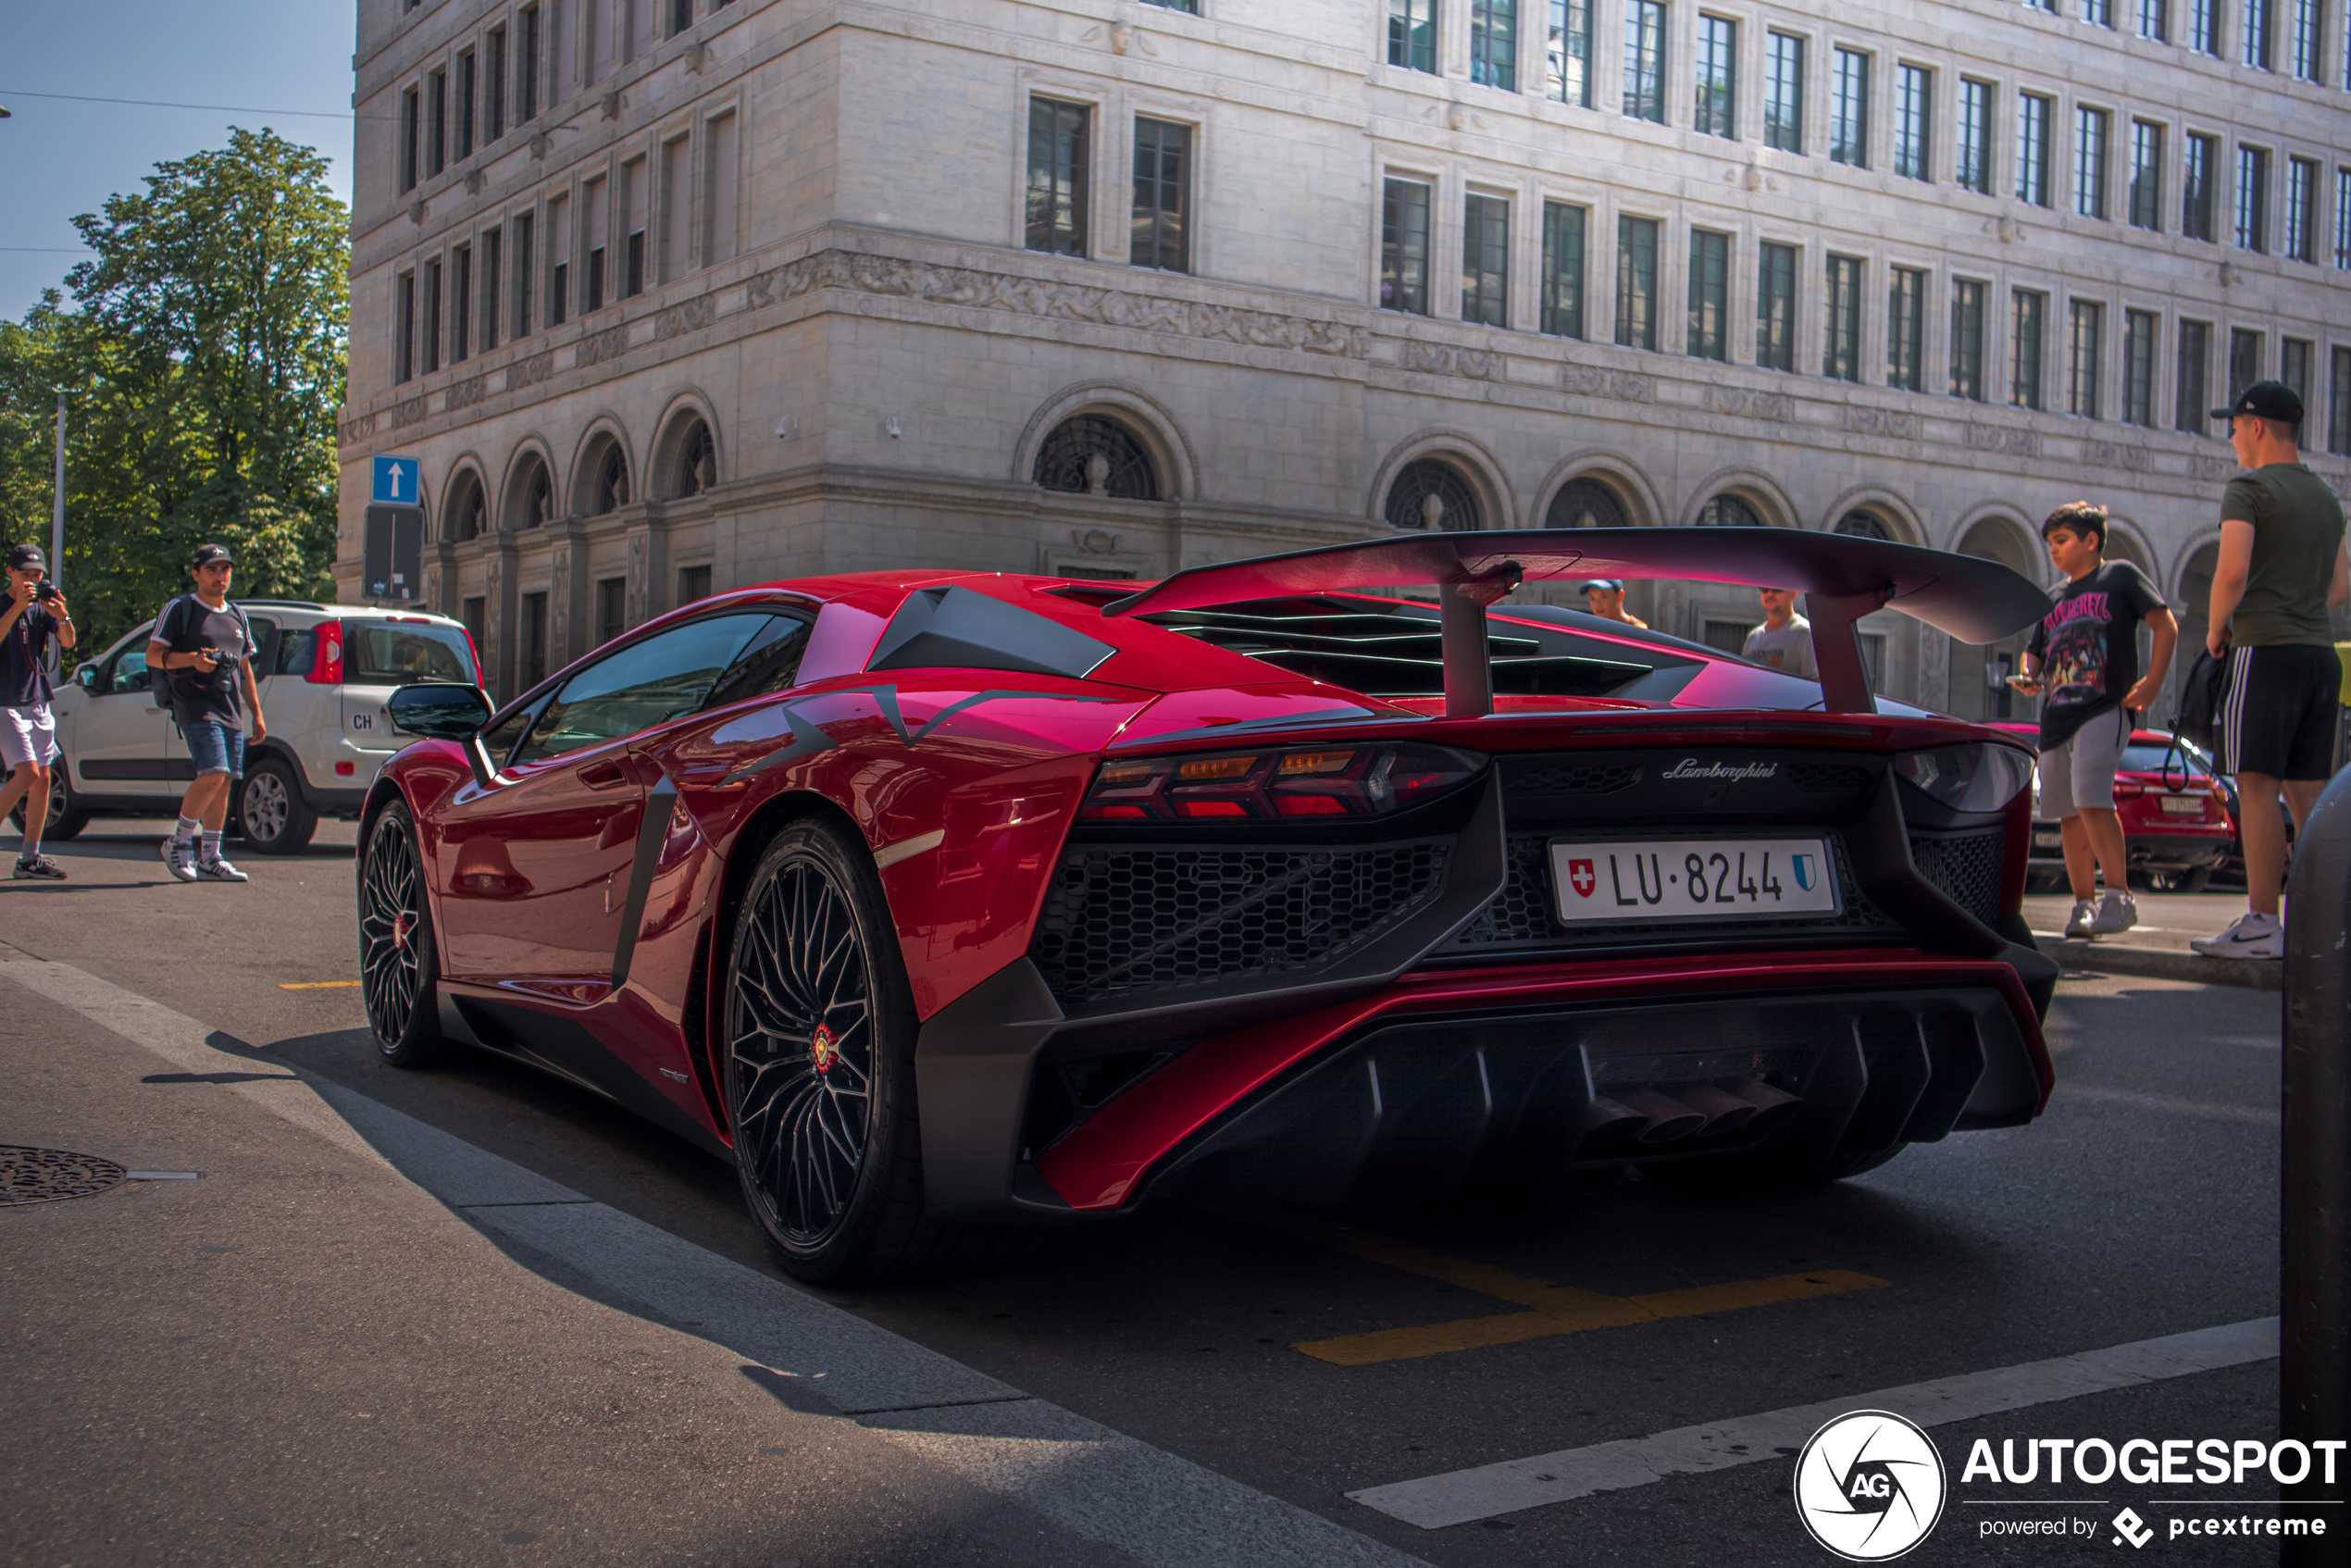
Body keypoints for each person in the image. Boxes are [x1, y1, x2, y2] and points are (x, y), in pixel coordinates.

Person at [2189, 381, 2350, 960]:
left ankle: (2261, 921)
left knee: (2255, 787)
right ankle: (2328, 921)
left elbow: (2231, 573)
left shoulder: (2250, 489)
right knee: (2308, 797)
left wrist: (2215, 629)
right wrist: (2299, 605)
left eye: (2233, 426)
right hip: (2319, 657)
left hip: (2265, 650)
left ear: (2256, 426)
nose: (2231, 437)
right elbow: (2340, 586)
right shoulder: (2327, 497)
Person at [2008, 503, 2177, 940]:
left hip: (2104, 706)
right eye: (2049, 543)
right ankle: (2083, 905)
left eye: (2061, 541)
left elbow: (2166, 624)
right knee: (2067, 812)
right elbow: (2036, 649)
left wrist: (2152, 684)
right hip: (2057, 718)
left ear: (2091, 541)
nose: (2054, 551)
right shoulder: (2055, 597)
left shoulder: (2119, 576)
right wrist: (2030, 674)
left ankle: (2119, 897)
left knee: (2091, 795)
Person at [147, 543, 267, 884]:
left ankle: (211, 857)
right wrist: (193, 660)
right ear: (196, 573)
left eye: (225, 569)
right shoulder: (181, 609)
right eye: (213, 570)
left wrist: (256, 715)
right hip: (195, 704)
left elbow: (244, 671)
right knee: (213, 772)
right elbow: (153, 655)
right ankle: (179, 841)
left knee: (225, 780)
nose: (220, 576)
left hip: (229, 708)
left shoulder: (237, 615)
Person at [0, 543, 76, 879]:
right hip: (4, 701)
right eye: (25, 575)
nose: (31, 581)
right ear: (9, 572)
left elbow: (69, 641)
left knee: (44, 778)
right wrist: (18, 606)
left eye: (37, 575)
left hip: (36, 699)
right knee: (27, 772)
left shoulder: (42, 608)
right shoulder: (7, 603)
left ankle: (29, 858)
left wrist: (62, 616)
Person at [1742, 588, 1818, 678]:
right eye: (1764, 589)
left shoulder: (1806, 633)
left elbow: (1814, 686)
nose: (1770, 594)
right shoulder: (1753, 637)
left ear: (1793, 593)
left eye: (1776, 589)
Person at [1580, 579, 1648, 628]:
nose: (1597, 604)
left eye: (1604, 597)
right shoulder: (1591, 630)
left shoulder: (1637, 630)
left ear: (1620, 596)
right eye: (1592, 598)